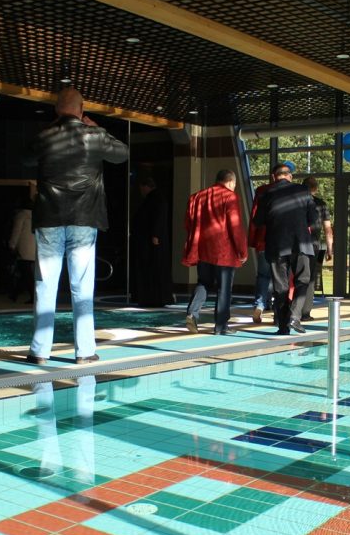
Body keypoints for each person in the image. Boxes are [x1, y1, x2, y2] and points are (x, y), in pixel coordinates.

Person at [26, 86, 128, 365]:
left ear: (56, 110)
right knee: (82, 286)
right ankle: (84, 351)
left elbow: (25, 157)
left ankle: (39, 351)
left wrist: (51, 128)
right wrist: (98, 129)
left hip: (49, 218)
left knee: (45, 285)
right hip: (84, 218)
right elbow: (123, 153)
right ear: (82, 111)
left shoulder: (45, 136)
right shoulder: (94, 135)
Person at [181, 169, 247, 335]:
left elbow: (188, 223)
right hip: (224, 251)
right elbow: (235, 226)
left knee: (203, 282)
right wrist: (242, 251)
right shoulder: (230, 197)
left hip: (202, 249)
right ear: (231, 182)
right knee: (224, 288)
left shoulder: (197, 197)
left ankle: (192, 313)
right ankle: (221, 326)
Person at [253, 164, 316, 335]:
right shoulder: (303, 191)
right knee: (303, 279)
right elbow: (312, 219)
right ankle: (295, 316)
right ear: (290, 176)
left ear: (274, 177)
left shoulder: (266, 194)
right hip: (300, 243)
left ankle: (283, 327)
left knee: (280, 286)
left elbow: (258, 221)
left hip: (276, 245)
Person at [130, 176, 173, 307]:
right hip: (151, 239)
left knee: (153, 268)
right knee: (154, 268)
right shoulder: (156, 199)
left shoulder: (155, 199)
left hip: (151, 241)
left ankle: (153, 297)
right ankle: (153, 297)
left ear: (146, 187)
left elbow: (158, 218)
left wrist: (155, 234)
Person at [301, 176, 333, 321]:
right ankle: (305, 312)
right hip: (313, 245)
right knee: (310, 279)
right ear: (316, 188)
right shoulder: (321, 204)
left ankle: (290, 310)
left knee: (294, 277)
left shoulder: (296, 202)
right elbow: (328, 229)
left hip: (294, 244)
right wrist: (329, 249)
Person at [247, 179, 275, 324]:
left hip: (262, 241)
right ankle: (278, 310)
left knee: (263, 276)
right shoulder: (291, 190)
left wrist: (252, 240)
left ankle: (260, 304)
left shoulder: (261, 191)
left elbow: (254, 217)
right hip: (282, 243)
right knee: (280, 276)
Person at [7, 196, 36, 303]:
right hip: (34, 247)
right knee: (25, 271)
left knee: (25, 272)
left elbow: (16, 231)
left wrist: (12, 244)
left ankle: (30, 295)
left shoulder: (21, 216)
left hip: (23, 247)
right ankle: (15, 293)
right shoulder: (35, 216)